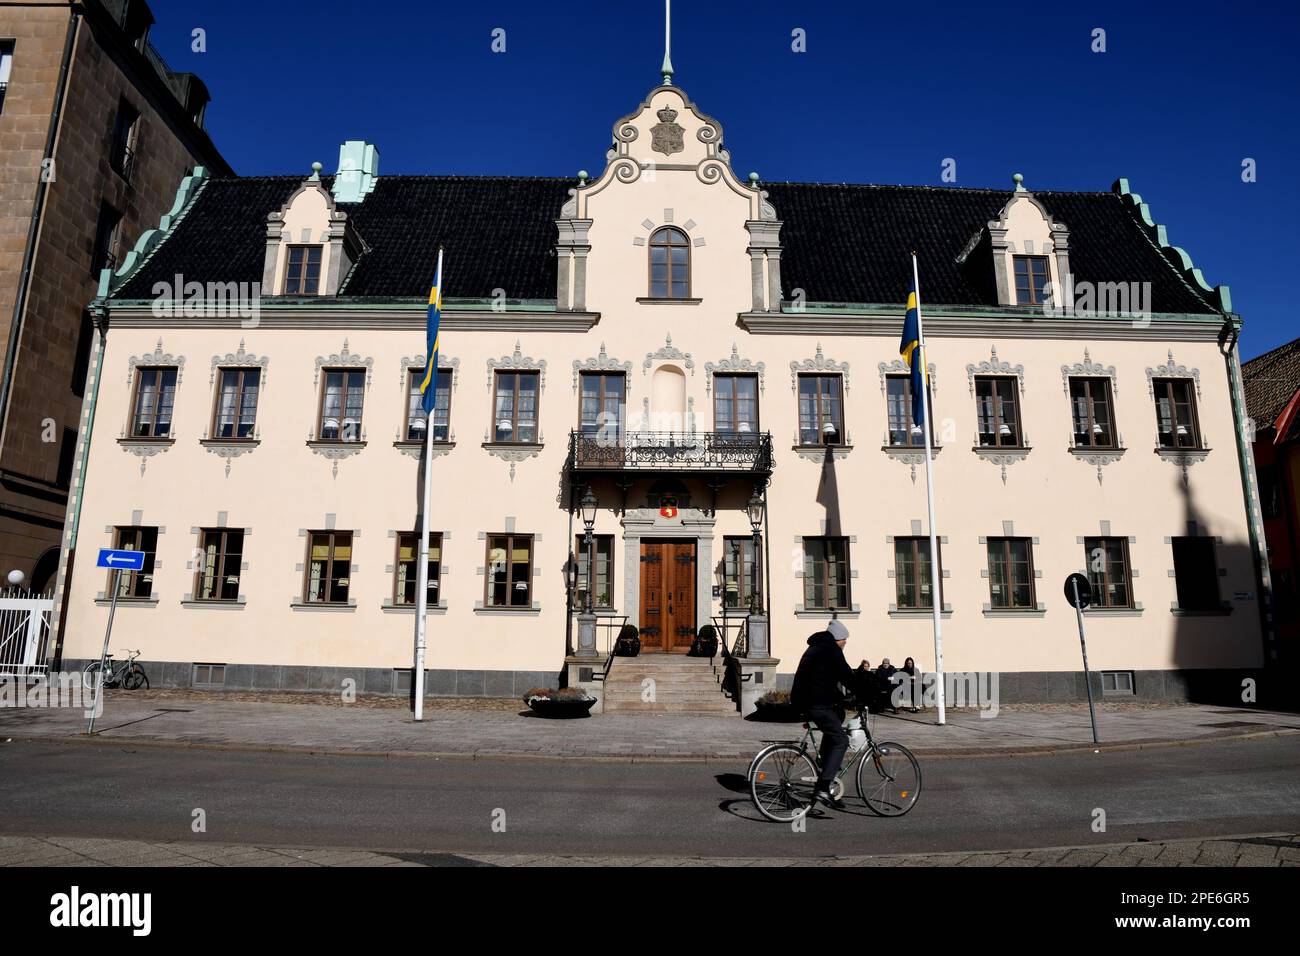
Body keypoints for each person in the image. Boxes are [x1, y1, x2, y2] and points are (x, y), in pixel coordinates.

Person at [789, 618, 856, 810]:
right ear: (838, 639)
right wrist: (870, 697)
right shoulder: (831, 650)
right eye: (845, 640)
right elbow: (847, 676)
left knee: (838, 715)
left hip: (808, 701)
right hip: (815, 704)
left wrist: (843, 700)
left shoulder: (819, 647)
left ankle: (825, 761)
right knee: (842, 740)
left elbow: (824, 679)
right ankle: (824, 787)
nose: (845, 643)